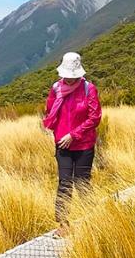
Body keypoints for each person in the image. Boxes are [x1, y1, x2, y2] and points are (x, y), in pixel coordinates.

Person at [43, 52, 102, 237]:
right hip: (63, 144)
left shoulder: (88, 89)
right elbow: (50, 111)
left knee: (82, 182)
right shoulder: (56, 89)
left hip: (84, 144)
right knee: (64, 182)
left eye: (72, 76)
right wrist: (57, 132)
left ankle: (92, 219)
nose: (68, 80)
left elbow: (95, 117)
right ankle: (63, 224)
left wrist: (73, 135)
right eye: (66, 76)